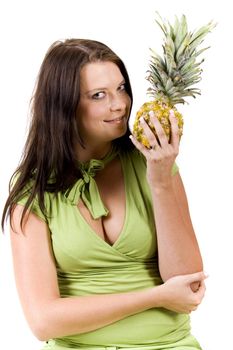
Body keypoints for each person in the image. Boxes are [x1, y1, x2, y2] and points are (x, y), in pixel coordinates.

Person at [2, 39, 207, 350]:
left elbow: (188, 286)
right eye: (99, 95)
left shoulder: (152, 163)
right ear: (64, 105)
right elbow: (43, 320)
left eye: (121, 88)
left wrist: (161, 180)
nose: (120, 104)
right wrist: (157, 296)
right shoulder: (34, 188)